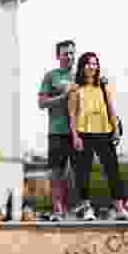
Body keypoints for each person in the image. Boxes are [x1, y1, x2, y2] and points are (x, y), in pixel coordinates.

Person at [68, 52, 128, 221]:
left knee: (113, 171)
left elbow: (111, 108)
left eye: (95, 64)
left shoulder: (103, 85)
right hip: (84, 133)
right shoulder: (75, 88)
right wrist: (75, 136)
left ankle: (120, 209)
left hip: (104, 132)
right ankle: (87, 209)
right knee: (83, 173)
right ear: (82, 67)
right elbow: (72, 114)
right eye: (88, 64)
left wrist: (115, 130)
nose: (92, 67)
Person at [38, 40, 77, 221]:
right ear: (57, 56)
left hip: (80, 132)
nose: (69, 56)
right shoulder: (50, 76)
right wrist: (63, 97)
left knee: (80, 173)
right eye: (65, 53)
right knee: (56, 174)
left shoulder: (82, 76)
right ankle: (58, 211)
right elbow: (41, 103)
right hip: (57, 131)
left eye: (71, 53)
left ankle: (81, 209)